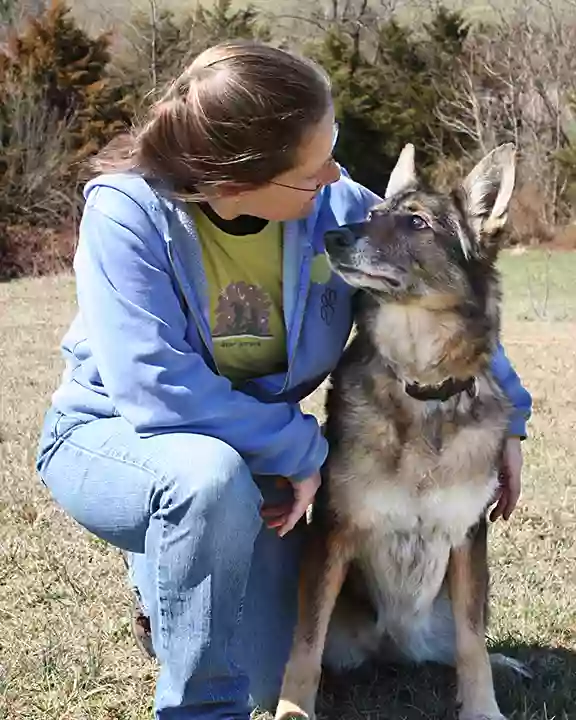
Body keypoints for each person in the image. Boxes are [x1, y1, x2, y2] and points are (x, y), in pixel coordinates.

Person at [35, 40, 532, 720]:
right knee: (202, 479)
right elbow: (154, 386)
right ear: (241, 175)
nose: (334, 172)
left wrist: (511, 417)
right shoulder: (128, 214)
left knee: (268, 676)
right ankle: (197, 699)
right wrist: (301, 451)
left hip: (257, 458)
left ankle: (192, 564)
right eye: (314, 161)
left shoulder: (332, 206)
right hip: (122, 439)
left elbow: (451, 289)